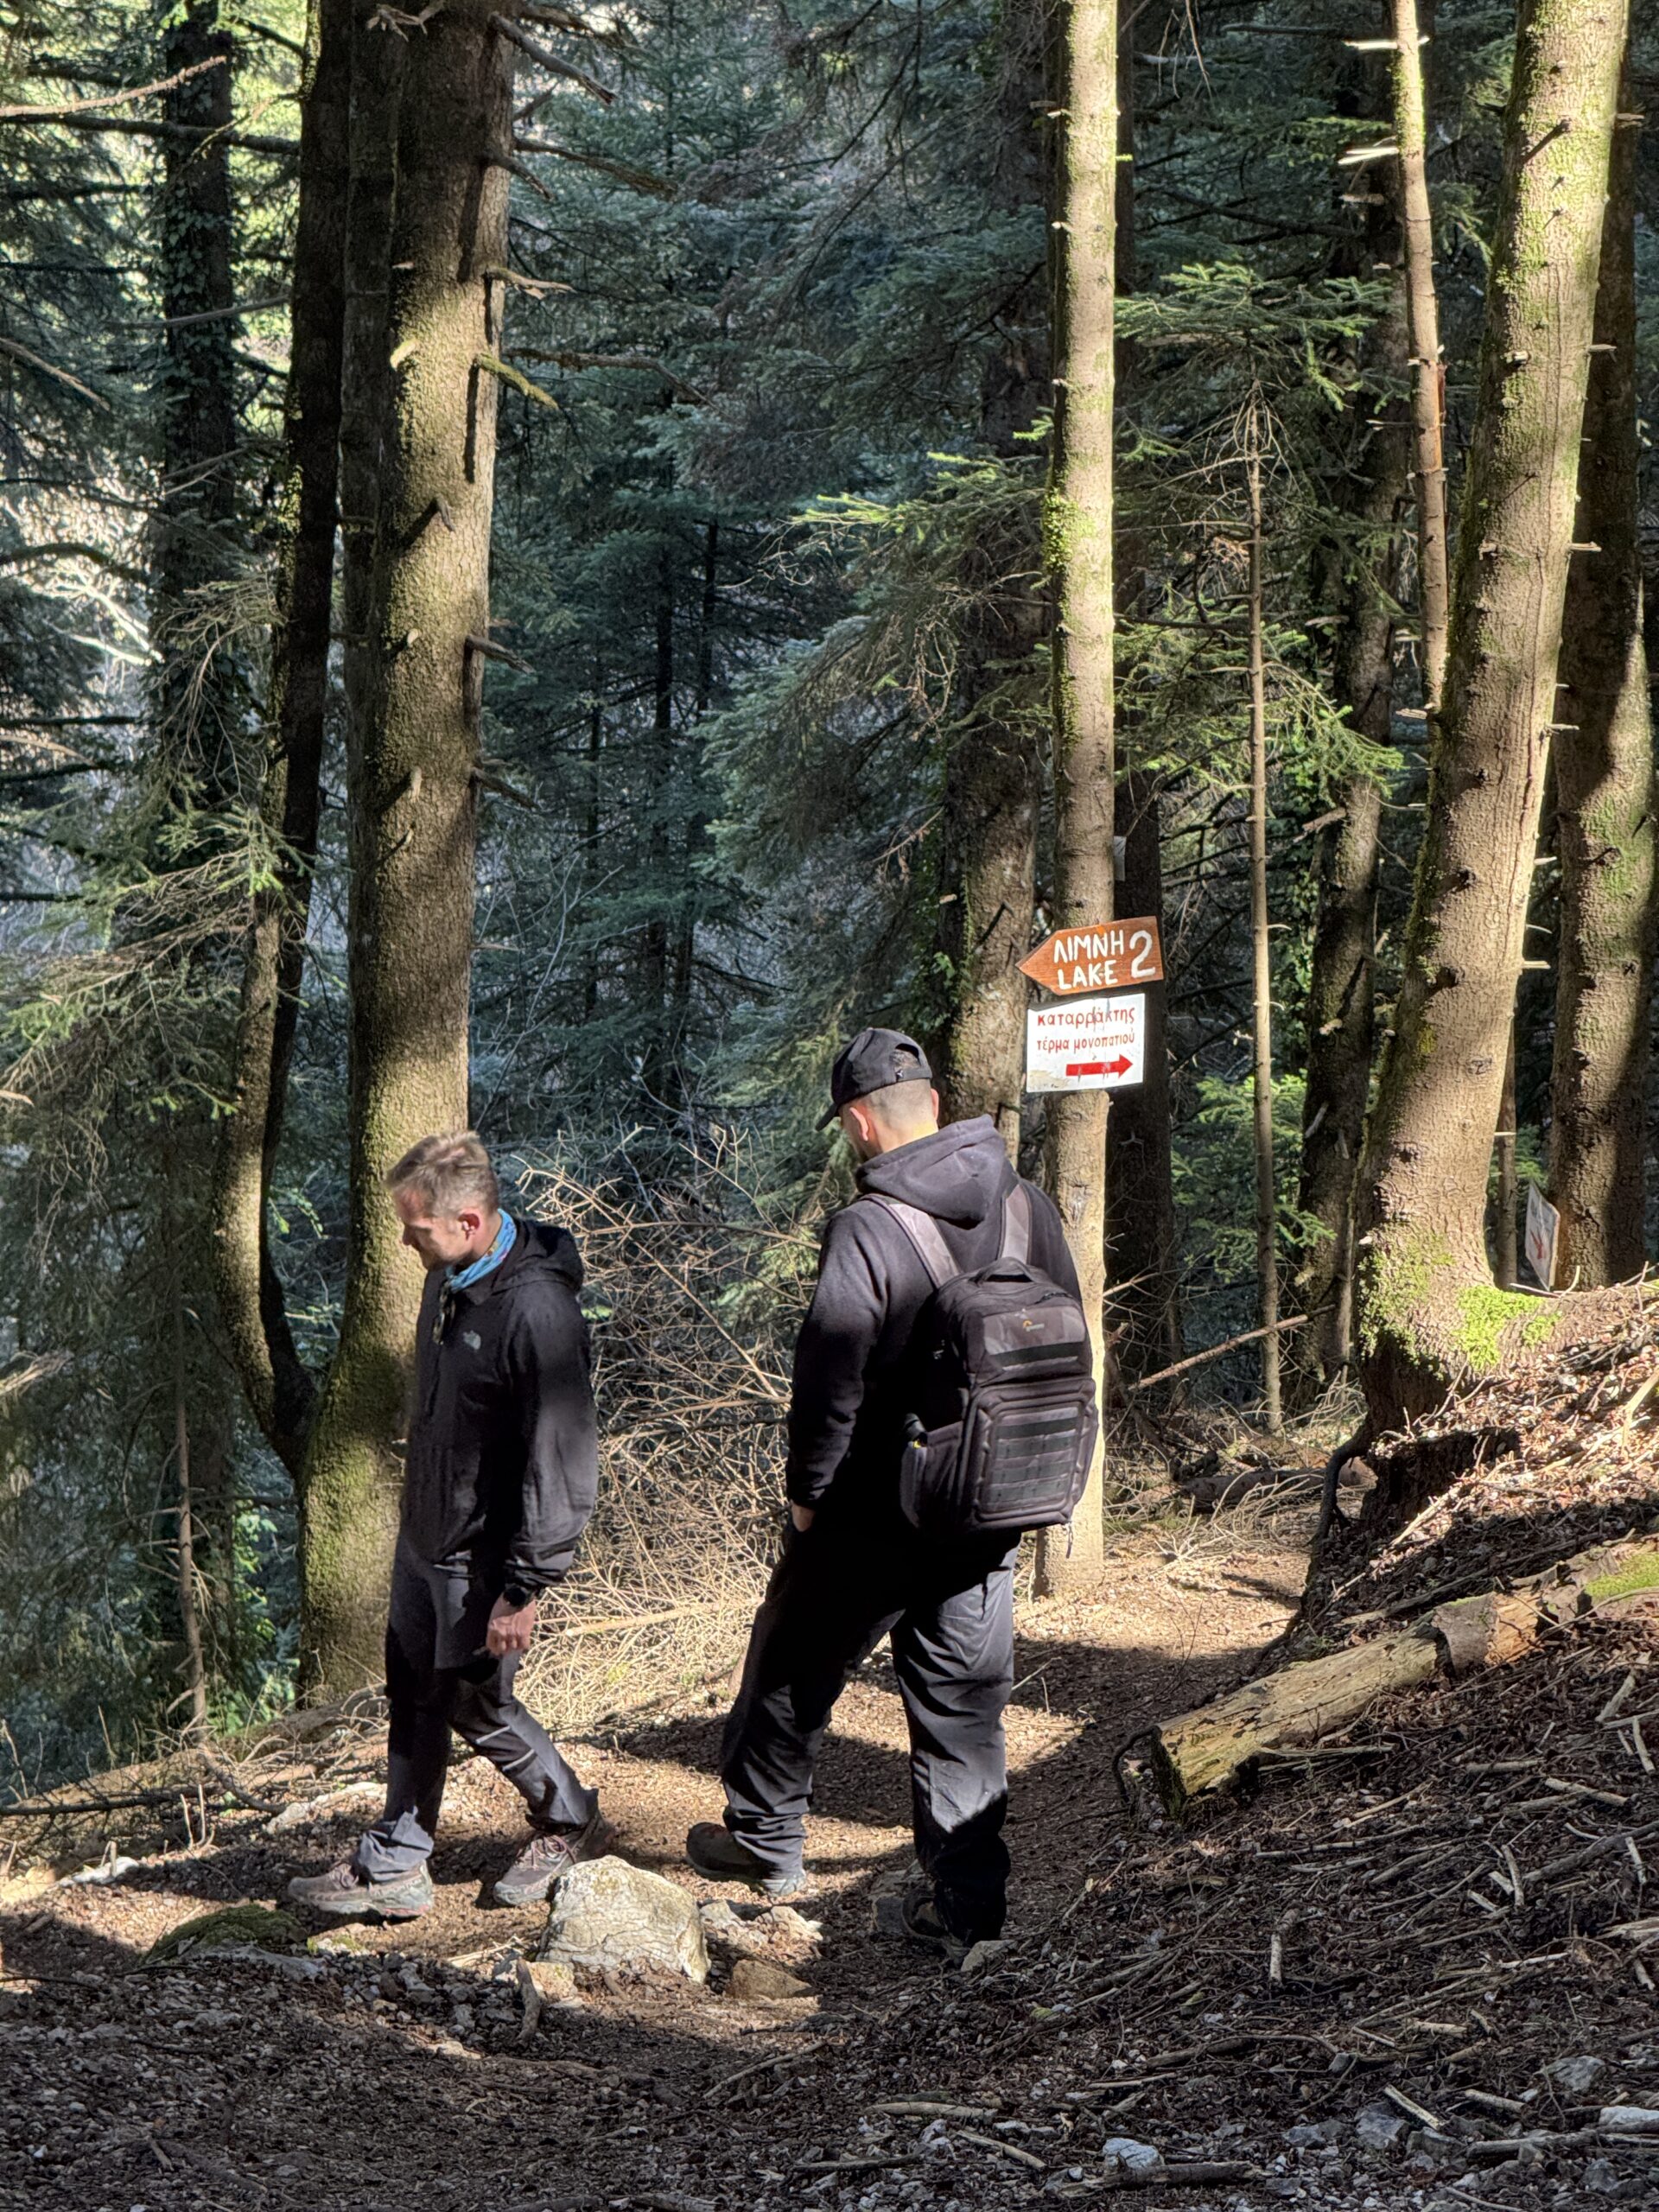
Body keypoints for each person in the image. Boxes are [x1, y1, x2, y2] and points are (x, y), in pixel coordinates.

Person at [686, 1028, 1084, 1955]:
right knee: (964, 1709)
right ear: (934, 1104)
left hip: (873, 1514)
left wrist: (808, 1495)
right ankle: (968, 1911)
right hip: (986, 1507)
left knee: (789, 1664)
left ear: (860, 1123)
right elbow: (1070, 1344)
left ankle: (764, 1842)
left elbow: (829, 1377)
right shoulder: (1027, 1206)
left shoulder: (869, 1227)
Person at [289, 1132, 609, 1920]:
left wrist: (524, 1587)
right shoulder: (449, 1278)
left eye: (417, 1230)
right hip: (424, 1538)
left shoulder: (538, 1312)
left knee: (476, 1704)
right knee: (413, 1693)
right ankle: (397, 1860)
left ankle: (568, 1817)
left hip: (484, 1557)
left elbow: (562, 1460)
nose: (406, 1243)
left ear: (468, 1222)